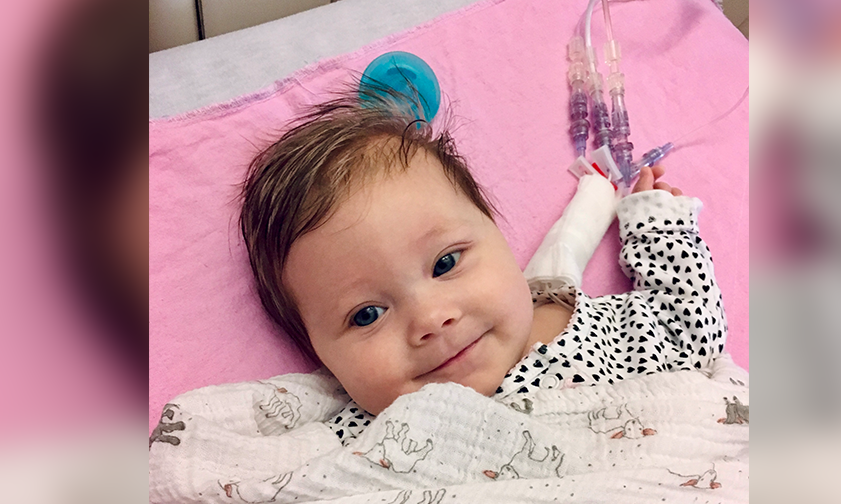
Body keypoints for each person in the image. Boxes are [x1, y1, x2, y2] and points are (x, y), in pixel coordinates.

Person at [239, 90, 726, 439]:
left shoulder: (606, 330)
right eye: (367, 314)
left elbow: (693, 330)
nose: (432, 319)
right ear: (321, 358)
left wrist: (660, 228)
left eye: (446, 262)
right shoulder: (357, 438)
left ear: (496, 233)